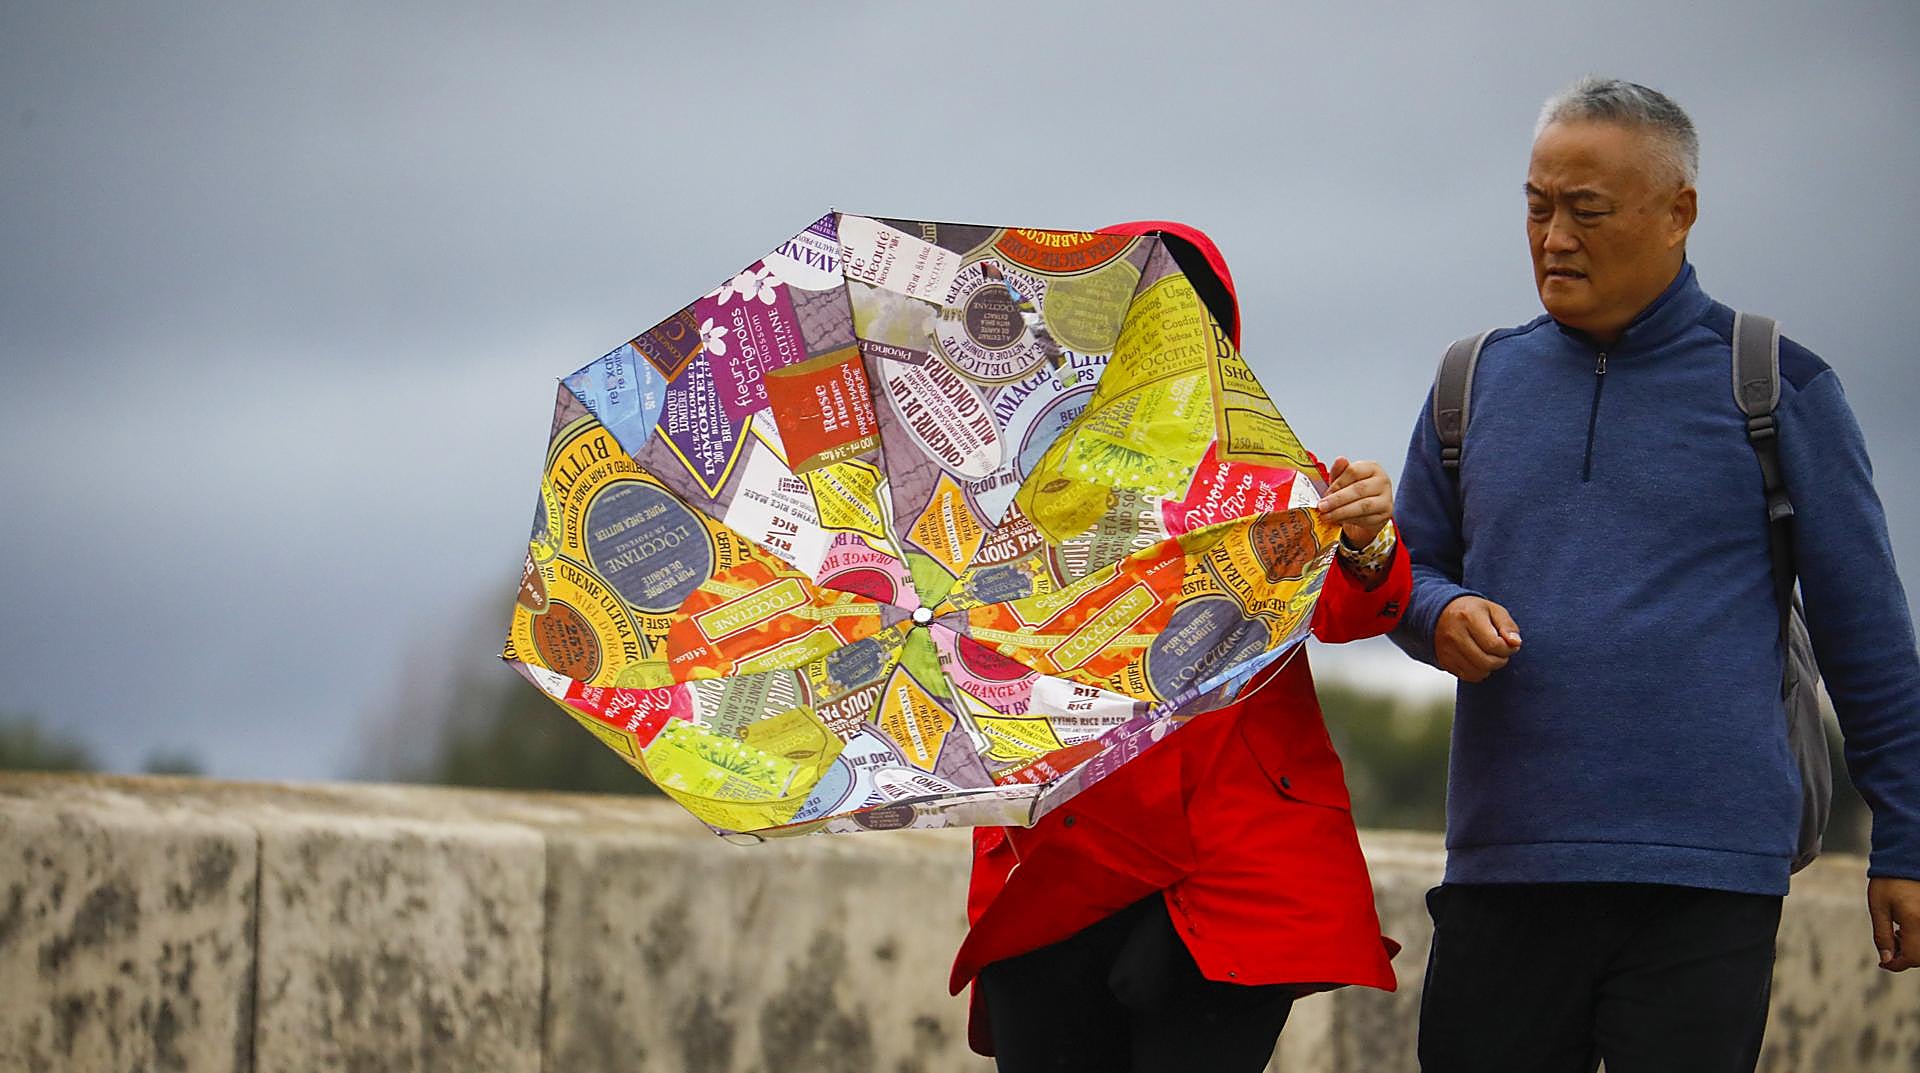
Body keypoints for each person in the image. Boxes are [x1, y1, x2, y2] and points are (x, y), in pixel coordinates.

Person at [1391, 77, 1920, 1073]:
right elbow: (1405, 569)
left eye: (1586, 209)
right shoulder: (1473, 382)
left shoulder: (1776, 384)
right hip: (1506, 861)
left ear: (1680, 211)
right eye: (1538, 205)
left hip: (1707, 877)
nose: (1554, 237)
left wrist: (1908, 836)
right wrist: (1440, 607)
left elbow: (1866, 629)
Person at [949, 219, 1409, 1072]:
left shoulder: (1264, 474)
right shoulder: (988, 494)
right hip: (1056, 873)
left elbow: (1349, 606)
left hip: (1224, 878)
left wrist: (1367, 537)